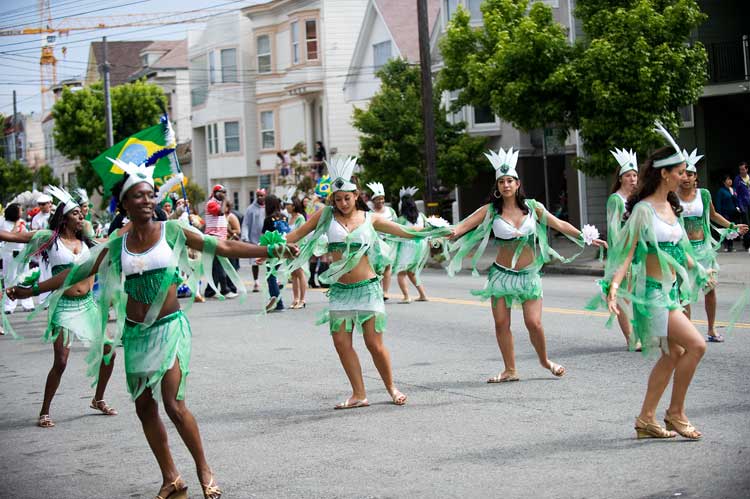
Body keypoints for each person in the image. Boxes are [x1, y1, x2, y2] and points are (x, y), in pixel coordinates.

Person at [5, 159, 296, 499]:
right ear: (125, 203)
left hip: (169, 328)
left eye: (151, 194)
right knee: (145, 407)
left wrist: (269, 248)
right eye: (139, 195)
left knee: (173, 403)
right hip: (137, 333)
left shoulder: (172, 230)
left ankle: (204, 468)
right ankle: (171, 476)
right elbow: (76, 271)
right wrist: (33, 290)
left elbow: (225, 247)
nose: (147, 200)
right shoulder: (116, 245)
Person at [284, 156, 451, 409]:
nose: (342, 203)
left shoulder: (369, 218)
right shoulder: (325, 216)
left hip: (368, 289)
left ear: (356, 195)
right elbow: (295, 235)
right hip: (340, 291)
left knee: (374, 343)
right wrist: (272, 246)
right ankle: (359, 394)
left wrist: (433, 229)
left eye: (347, 198)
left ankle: (391, 387)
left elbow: (404, 231)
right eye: (337, 199)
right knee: (341, 343)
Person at [449, 148, 605, 383]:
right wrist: (439, 232)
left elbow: (560, 224)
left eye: (509, 180)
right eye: (501, 181)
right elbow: (460, 228)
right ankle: (510, 370)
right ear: (497, 186)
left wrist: (586, 238)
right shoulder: (490, 211)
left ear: (518, 183)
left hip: (528, 275)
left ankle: (544, 360)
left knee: (534, 323)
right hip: (501, 276)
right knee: (502, 324)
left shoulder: (533, 207)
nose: (506, 185)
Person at [601, 122, 712, 440]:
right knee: (696, 345)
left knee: (674, 353)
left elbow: (680, 249)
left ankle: (646, 419)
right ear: (665, 174)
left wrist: (699, 269)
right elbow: (626, 252)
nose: (685, 176)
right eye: (679, 171)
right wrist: (613, 286)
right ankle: (675, 413)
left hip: (670, 292)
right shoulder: (644, 211)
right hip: (651, 295)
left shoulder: (670, 207)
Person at [1, 187, 117, 428]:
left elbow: (115, 241)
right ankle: (44, 410)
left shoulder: (89, 241)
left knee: (110, 352)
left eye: (81, 213)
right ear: (64, 217)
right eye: (76, 213)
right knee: (61, 361)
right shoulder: (49, 239)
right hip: (63, 305)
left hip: (87, 305)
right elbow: (11, 237)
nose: (82, 216)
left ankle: (98, 398)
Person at [678, 152, 748, 342]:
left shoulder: (704, 194)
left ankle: (711, 329)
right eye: (682, 173)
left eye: (690, 174)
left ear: (696, 177)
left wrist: (732, 226)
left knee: (709, 289)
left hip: (704, 250)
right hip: (684, 252)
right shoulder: (672, 197)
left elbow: (714, 215)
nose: (686, 177)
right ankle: (688, 334)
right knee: (684, 293)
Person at [607, 148, 639, 349]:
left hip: (640, 251)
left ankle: (641, 333)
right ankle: (630, 338)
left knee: (640, 295)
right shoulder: (616, 200)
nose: (633, 179)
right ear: (621, 179)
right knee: (624, 296)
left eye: (635, 175)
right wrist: (620, 256)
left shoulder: (639, 200)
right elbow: (613, 231)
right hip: (623, 253)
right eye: (628, 176)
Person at [393, 187, 430, 303]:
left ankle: (406, 296)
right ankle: (423, 295)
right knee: (412, 271)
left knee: (401, 272)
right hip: (421, 246)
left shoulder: (401, 219)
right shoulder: (422, 216)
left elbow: (395, 234)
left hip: (406, 247)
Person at [204, 185, 237, 298]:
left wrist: (232, 233)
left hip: (221, 238)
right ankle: (225, 290)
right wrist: (224, 200)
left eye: (224, 192)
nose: (223, 194)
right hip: (214, 238)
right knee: (220, 264)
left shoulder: (217, 203)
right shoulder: (211, 204)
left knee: (216, 265)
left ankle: (210, 291)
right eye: (221, 192)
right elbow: (221, 213)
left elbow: (222, 221)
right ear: (215, 193)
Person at [1, 204, 36, 313]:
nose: (22, 212)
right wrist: (17, 225)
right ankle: (9, 305)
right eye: (20, 210)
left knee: (25, 278)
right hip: (10, 254)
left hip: (22, 253)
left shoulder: (22, 222)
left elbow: (26, 236)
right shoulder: (4, 223)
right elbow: (10, 236)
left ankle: (27, 303)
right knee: (10, 279)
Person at [367, 182, 397, 300]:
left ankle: (385, 292)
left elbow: (395, 225)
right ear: (373, 200)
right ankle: (377, 290)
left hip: (388, 242)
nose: (380, 201)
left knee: (387, 267)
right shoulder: (369, 212)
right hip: (374, 243)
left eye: (382, 199)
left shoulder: (390, 211)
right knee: (375, 268)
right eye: (378, 199)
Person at [261, 195, 291, 312]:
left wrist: (261, 253)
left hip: (273, 249)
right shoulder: (284, 217)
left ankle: (277, 301)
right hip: (284, 248)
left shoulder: (268, 219)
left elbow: (264, 236)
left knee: (271, 275)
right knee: (272, 274)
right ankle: (275, 298)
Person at [284, 190, 307, 309]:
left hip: (298, 249)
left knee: (300, 272)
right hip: (289, 249)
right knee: (293, 274)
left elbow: (302, 234)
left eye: (288, 204)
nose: (286, 207)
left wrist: (297, 248)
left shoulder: (300, 218)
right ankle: (295, 298)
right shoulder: (288, 218)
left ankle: (302, 299)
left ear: (294, 206)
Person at [241, 188, 267, 293]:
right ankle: (256, 282)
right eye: (258, 195)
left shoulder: (268, 207)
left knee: (270, 260)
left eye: (262, 195)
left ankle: (273, 280)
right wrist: (245, 237)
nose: (260, 197)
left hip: (266, 238)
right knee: (255, 262)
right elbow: (245, 224)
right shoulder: (250, 209)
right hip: (254, 239)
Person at [715, 174, 742, 253]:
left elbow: (736, 200)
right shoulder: (721, 191)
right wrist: (719, 214)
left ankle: (730, 245)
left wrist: (738, 207)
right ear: (724, 182)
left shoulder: (733, 189)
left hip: (733, 212)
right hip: (724, 213)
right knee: (727, 229)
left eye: (730, 179)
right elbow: (718, 203)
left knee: (732, 229)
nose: (730, 181)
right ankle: (728, 245)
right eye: (727, 179)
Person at [224, 199, 241, 273]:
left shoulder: (231, 217)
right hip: (223, 244)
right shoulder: (221, 216)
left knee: (231, 268)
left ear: (228, 207)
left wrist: (228, 232)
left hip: (231, 244)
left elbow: (238, 231)